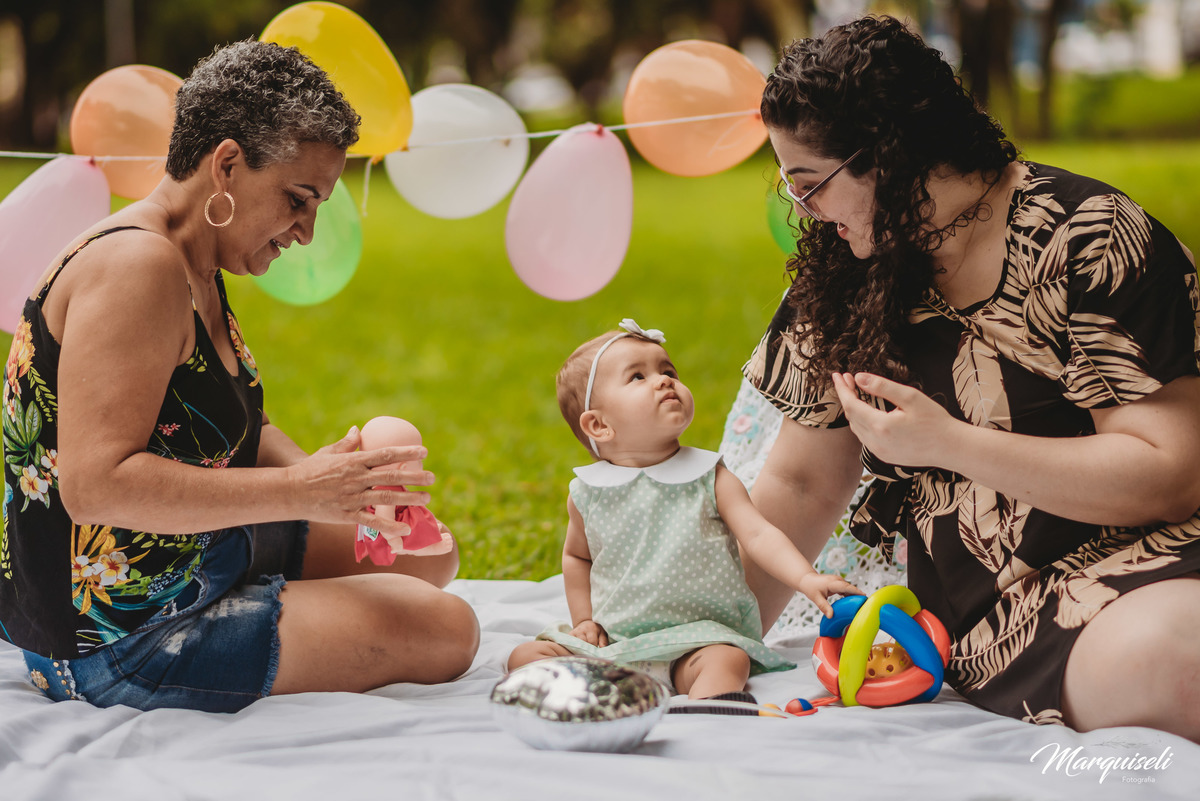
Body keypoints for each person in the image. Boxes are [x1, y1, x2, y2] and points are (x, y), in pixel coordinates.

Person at [742, 15, 1200, 740]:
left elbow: (1171, 471)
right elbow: (800, 485)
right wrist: (698, 643)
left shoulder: (1087, 236)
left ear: (887, 157)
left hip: (1165, 551)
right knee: (1177, 659)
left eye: (810, 184)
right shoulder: (845, 276)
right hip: (1009, 616)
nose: (805, 210)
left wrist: (947, 442)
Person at [0, 40, 478, 713]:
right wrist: (300, 490)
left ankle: (261, 595)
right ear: (226, 164)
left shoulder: (196, 259)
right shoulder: (139, 268)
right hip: (116, 637)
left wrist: (328, 484)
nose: (307, 232)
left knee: (433, 558)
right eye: (298, 198)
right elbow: (95, 487)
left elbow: (229, 427)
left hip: (196, 550)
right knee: (448, 628)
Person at [507, 320, 859, 710]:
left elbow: (759, 534)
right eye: (637, 377)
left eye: (668, 370)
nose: (664, 381)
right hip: (617, 644)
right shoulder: (588, 493)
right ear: (599, 425)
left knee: (730, 659)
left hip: (696, 642)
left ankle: (707, 706)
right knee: (524, 656)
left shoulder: (709, 477)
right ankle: (591, 693)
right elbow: (577, 557)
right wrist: (585, 620)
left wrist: (806, 578)